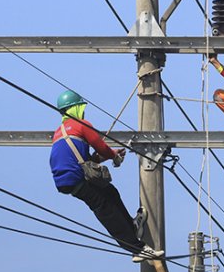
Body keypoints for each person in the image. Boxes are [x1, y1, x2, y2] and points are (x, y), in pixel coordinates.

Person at [49, 90, 163, 262]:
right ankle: (137, 249)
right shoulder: (81, 124)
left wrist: (110, 154)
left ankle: (132, 227)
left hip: (66, 179)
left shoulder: (59, 132)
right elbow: (101, 147)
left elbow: (84, 158)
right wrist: (113, 156)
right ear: (76, 108)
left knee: (110, 192)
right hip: (76, 178)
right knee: (105, 208)